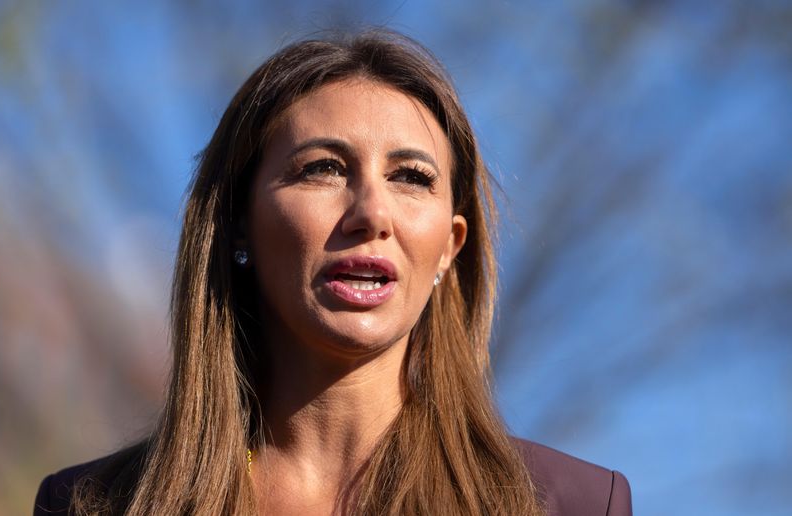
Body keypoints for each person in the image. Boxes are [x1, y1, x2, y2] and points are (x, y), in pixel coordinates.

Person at [34, 30, 632, 516]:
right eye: (322, 168)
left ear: (450, 248)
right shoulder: (91, 506)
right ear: (239, 224)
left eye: (411, 177)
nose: (371, 213)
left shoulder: (572, 505)